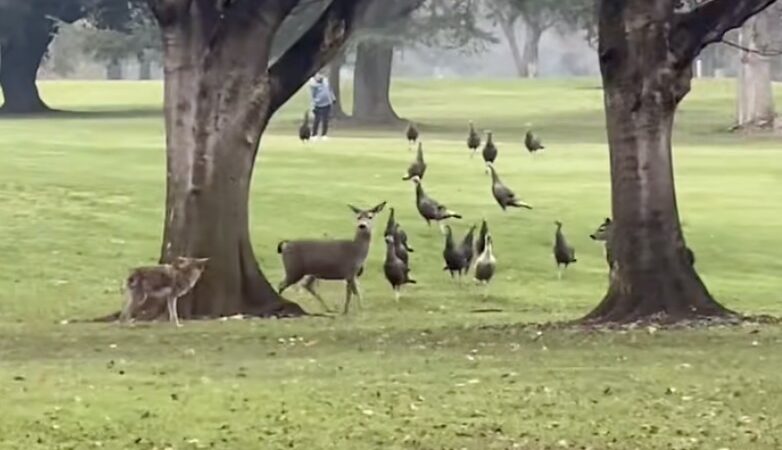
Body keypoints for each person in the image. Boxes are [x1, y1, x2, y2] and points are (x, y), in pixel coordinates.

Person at [309, 73, 336, 140]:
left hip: (327, 103)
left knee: (325, 120)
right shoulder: (313, 84)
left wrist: (333, 98)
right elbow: (313, 95)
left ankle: (324, 135)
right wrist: (313, 105)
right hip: (318, 104)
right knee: (317, 120)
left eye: (320, 75)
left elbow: (330, 90)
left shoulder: (325, 81)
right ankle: (314, 135)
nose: (319, 76)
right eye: (317, 75)